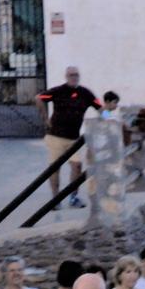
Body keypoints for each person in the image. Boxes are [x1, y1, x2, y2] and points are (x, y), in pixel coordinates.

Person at [37, 66, 100, 209]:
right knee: (54, 168)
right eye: (71, 75)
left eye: (76, 75)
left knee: (77, 166)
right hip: (55, 137)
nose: (74, 77)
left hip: (74, 139)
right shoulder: (58, 91)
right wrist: (45, 119)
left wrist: (110, 118)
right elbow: (39, 99)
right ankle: (55, 199)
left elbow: (100, 108)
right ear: (66, 76)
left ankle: (73, 198)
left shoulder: (85, 93)